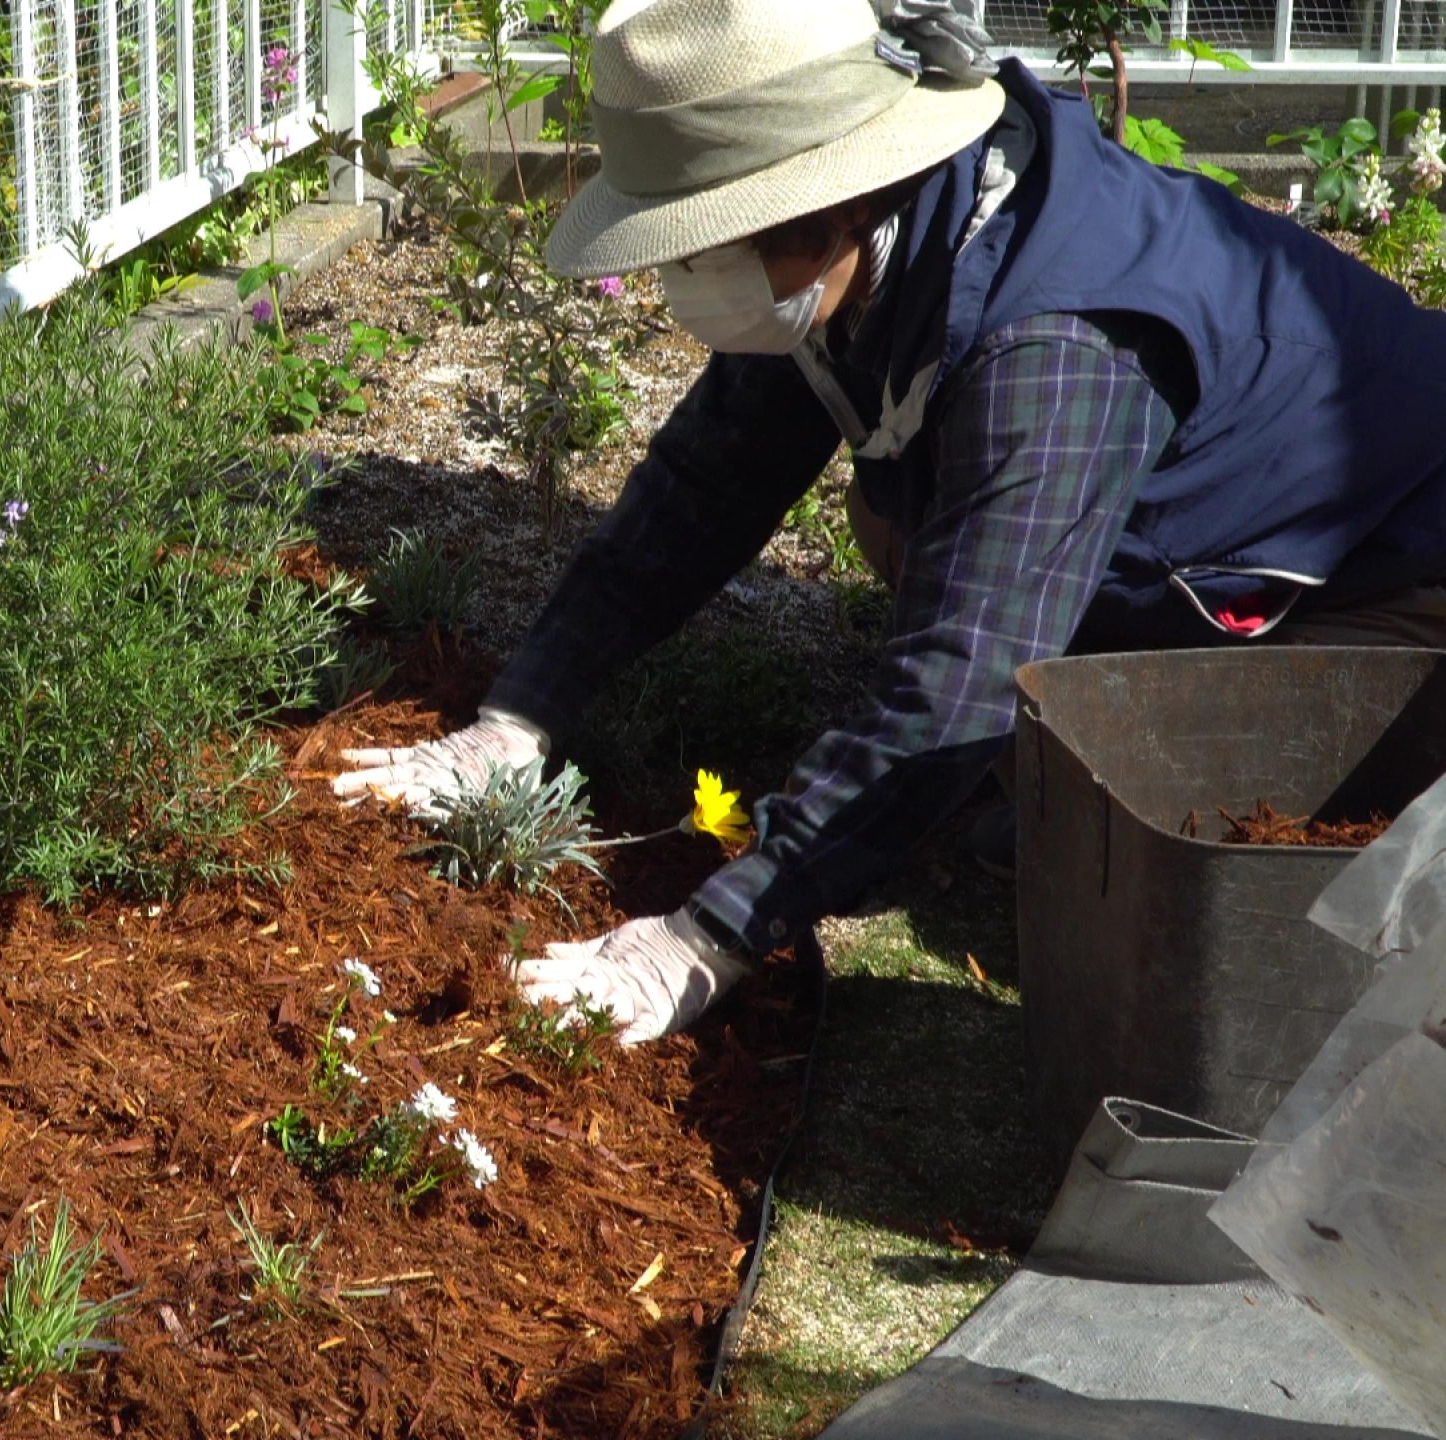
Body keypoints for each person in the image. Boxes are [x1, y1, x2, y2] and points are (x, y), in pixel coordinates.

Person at [333, 0, 1446, 1045]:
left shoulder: (1056, 347)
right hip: (1203, 546)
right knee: (914, 559)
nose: (682, 273)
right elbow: (705, 482)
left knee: (1129, 891)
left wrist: (701, 938)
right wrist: (515, 723)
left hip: (1385, 587)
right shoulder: (889, 230)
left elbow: (960, 674)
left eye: (704, 242)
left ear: (833, 201)